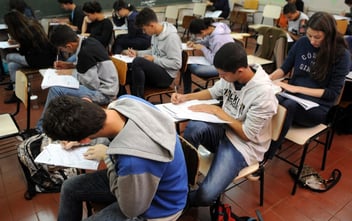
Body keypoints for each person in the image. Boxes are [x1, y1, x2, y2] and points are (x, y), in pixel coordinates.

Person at [41, 95, 188, 221]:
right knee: (69, 187)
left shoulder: (133, 160)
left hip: (159, 206)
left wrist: (108, 157)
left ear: (84, 140)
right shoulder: (125, 102)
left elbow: (131, 210)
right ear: (88, 101)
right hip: (144, 180)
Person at [171, 42, 278, 206]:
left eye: (223, 75)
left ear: (240, 71)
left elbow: (247, 135)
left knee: (206, 196)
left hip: (243, 145)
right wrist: (186, 97)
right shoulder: (231, 75)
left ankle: (176, 202)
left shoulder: (263, 95)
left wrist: (218, 112)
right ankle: (180, 181)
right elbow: (213, 92)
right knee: (194, 127)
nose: (221, 78)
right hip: (223, 129)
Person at [269, 12, 350, 152]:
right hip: (292, 98)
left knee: (287, 105)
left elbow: (331, 94)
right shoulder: (302, 43)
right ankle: (252, 143)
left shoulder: (341, 55)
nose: (312, 41)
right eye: (309, 35)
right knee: (269, 98)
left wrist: (296, 89)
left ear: (329, 34)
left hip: (317, 108)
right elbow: (284, 69)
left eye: (317, 37)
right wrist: (265, 80)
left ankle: (265, 156)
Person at [36, 24, 119, 131]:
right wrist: (70, 66)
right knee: (65, 78)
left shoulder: (85, 54)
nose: (63, 52)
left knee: (56, 90)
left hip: (104, 94)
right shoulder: (88, 41)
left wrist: (71, 75)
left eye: (62, 49)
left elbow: (92, 85)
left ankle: (41, 129)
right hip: (108, 84)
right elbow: (92, 67)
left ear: (69, 46)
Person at [123, 7, 182, 98]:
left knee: (138, 62)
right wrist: (137, 53)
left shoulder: (172, 38)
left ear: (152, 25)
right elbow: (153, 51)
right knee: (126, 75)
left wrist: (154, 60)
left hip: (166, 77)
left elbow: (177, 64)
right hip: (157, 69)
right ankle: (130, 101)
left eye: (144, 29)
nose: (144, 32)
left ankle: (139, 101)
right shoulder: (155, 34)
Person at [3, 10, 56, 104]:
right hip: (49, 58)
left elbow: (23, 52)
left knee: (8, 56)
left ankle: (14, 84)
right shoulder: (34, 24)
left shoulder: (22, 32)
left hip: (37, 61)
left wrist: (17, 42)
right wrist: (18, 42)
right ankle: (16, 91)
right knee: (12, 65)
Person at [182, 17, 234, 94]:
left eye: (197, 35)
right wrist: (195, 43)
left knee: (190, 67)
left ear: (202, 32)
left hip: (224, 67)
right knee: (186, 63)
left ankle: (188, 93)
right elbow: (208, 41)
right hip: (217, 60)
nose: (197, 38)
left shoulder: (219, 39)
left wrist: (203, 48)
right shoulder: (213, 27)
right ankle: (187, 93)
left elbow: (214, 61)